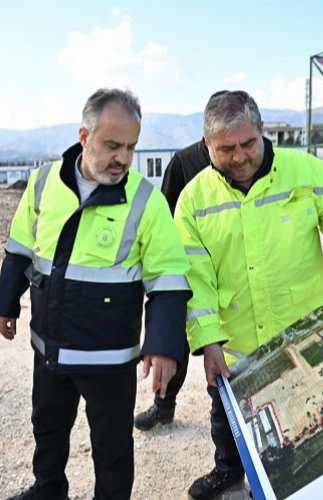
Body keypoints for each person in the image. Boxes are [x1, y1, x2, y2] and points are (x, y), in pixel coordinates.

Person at [174, 90, 323, 500]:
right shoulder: (193, 200)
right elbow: (193, 279)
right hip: (234, 346)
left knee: (299, 422)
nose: (241, 157)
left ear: (263, 132)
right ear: (207, 146)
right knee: (227, 418)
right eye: (226, 148)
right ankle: (227, 469)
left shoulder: (306, 172)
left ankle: (277, 485)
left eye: (248, 143)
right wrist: (207, 340)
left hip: (300, 335)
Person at [0, 88, 191, 500]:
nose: (122, 158)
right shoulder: (44, 181)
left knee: (113, 449)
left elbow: (168, 277)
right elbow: (21, 245)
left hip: (108, 357)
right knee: (47, 429)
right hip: (50, 347)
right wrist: (7, 299)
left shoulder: (146, 201)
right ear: (85, 136)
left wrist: (165, 346)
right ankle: (48, 491)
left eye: (131, 147)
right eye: (112, 145)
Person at [134, 137, 209, 431]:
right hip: (189, 265)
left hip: (232, 268)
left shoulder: (246, 155)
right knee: (176, 340)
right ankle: (163, 407)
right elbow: (165, 211)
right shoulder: (184, 161)